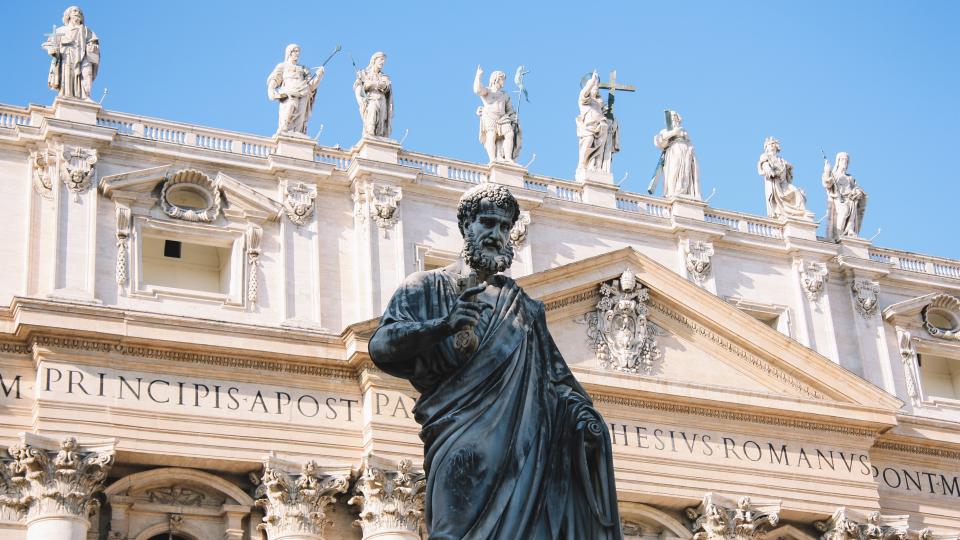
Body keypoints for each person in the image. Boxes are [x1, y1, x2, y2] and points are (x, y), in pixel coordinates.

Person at [369, 183, 621, 539]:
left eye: (504, 227)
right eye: (488, 223)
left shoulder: (526, 310)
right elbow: (381, 346)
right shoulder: (426, 287)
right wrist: (443, 325)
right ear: (466, 225)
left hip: (524, 458)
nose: (496, 234)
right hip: (459, 444)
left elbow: (559, 385)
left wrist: (583, 421)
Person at [43, 5, 100, 100]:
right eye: (75, 11)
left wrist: (93, 46)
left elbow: (93, 42)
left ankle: (85, 96)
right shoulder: (61, 30)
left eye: (80, 12)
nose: (78, 13)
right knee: (68, 75)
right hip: (67, 54)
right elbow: (48, 44)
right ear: (68, 15)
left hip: (83, 55)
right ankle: (67, 95)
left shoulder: (86, 30)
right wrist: (51, 50)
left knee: (87, 74)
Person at [266, 44, 324, 135]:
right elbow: (275, 79)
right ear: (290, 52)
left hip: (303, 93)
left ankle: (297, 135)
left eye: (298, 52)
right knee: (289, 109)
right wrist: (271, 89)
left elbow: (311, 86)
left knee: (300, 118)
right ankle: (284, 130)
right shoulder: (282, 66)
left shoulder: (303, 69)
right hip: (289, 93)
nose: (297, 53)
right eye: (295, 51)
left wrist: (319, 76)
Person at [474, 66, 521, 163]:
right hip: (490, 116)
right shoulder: (488, 91)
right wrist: (478, 76)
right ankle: (493, 159)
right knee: (491, 135)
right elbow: (477, 90)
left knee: (510, 134)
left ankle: (508, 158)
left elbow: (510, 109)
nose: (503, 82)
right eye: (502, 79)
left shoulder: (504, 95)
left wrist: (514, 117)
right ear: (497, 79)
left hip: (503, 117)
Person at [653, 110, 701, 199]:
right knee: (674, 170)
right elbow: (658, 141)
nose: (674, 118)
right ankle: (672, 192)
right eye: (672, 117)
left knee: (686, 171)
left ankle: (684, 191)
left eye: (675, 116)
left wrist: (691, 149)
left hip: (687, 152)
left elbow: (688, 141)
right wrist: (674, 132)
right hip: (674, 150)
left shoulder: (684, 130)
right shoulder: (665, 130)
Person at [757, 137, 807, 218]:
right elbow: (765, 165)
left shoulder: (781, 160)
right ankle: (781, 213)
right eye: (770, 145)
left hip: (784, 184)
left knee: (797, 192)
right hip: (775, 182)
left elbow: (788, 174)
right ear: (766, 148)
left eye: (773, 144)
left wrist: (788, 168)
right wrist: (769, 170)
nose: (772, 146)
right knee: (780, 198)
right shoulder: (764, 156)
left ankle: (801, 214)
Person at [822, 151, 867, 241]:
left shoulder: (850, 177)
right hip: (838, 199)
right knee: (844, 211)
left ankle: (848, 231)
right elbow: (827, 183)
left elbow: (856, 187)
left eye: (846, 160)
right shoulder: (834, 175)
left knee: (850, 214)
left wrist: (858, 192)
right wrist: (827, 171)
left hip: (850, 199)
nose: (845, 162)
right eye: (842, 160)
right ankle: (838, 233)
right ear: (838, 161)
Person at [354, 52, 393, 138]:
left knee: (381, 126)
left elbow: (387, 87)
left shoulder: (384, 76)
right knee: (371, 119)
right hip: (371, 99)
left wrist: (372, 84)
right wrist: (360, 99)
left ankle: (380, 141)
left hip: (382, 100)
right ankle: (370, 137)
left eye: (384, 61)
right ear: (374, 60)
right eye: (381, 59)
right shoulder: (364, 73)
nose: (383, 62)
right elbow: (359, 86)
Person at [576, 72, 609, 172]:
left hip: (600, 128)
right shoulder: (584, 100)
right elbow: (585, 92)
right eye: (594, 87)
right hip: (588, 128)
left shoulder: (598, 103)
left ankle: (596, 166)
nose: (596, 89)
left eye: (597, 88)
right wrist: (593, 81)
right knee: (589, 141)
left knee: (600, 146)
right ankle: (582, 165)